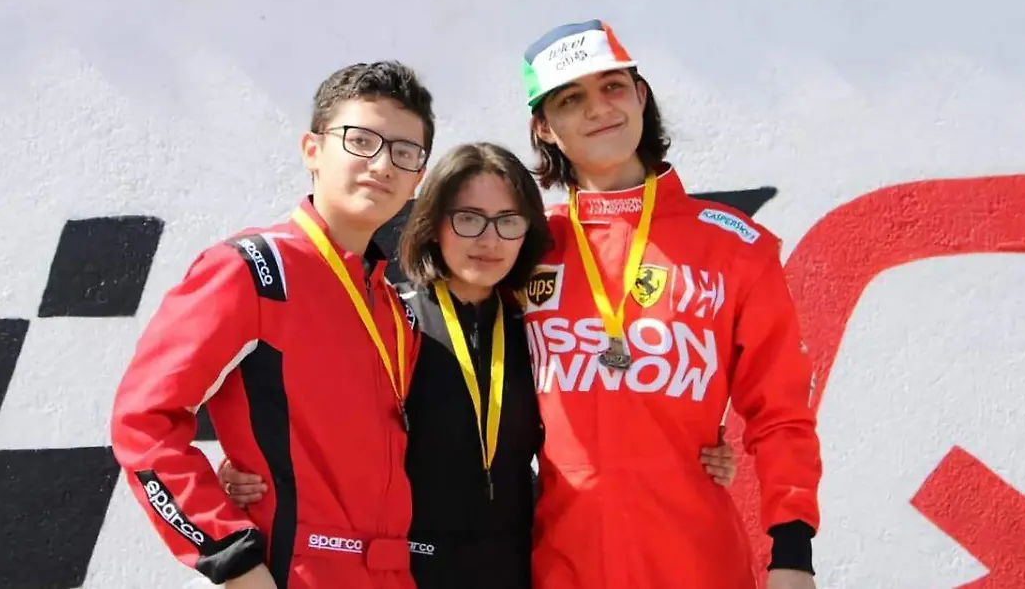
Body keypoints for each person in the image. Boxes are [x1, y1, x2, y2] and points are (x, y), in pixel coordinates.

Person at [216, 142, 742, 587]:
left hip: (516, 569)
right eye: (467, 219)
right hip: (408, 571)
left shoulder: (538, 323)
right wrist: (252, 472)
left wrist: (701, 448)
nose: (489, 241)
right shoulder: (390, 317)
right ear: (433, 225)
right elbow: (318, 429)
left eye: (507, 221)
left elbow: (610, 409)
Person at [519, 19, 823, 589]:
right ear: (544, 128)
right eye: (570, 98)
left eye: (613, 86)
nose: (598, 108)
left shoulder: (734, 246)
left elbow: (781, 414)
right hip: (558, 567)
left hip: (697, 566)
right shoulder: (523, 247)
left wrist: (792, 552)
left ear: (641, 96)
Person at [110, 61, 434, 589]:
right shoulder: (252, 270)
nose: (382, 164)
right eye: (361, 141)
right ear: (312, 149)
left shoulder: (395, 308)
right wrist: (230, 559)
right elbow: (143, 423)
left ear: (418, 177)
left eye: (404, 151)